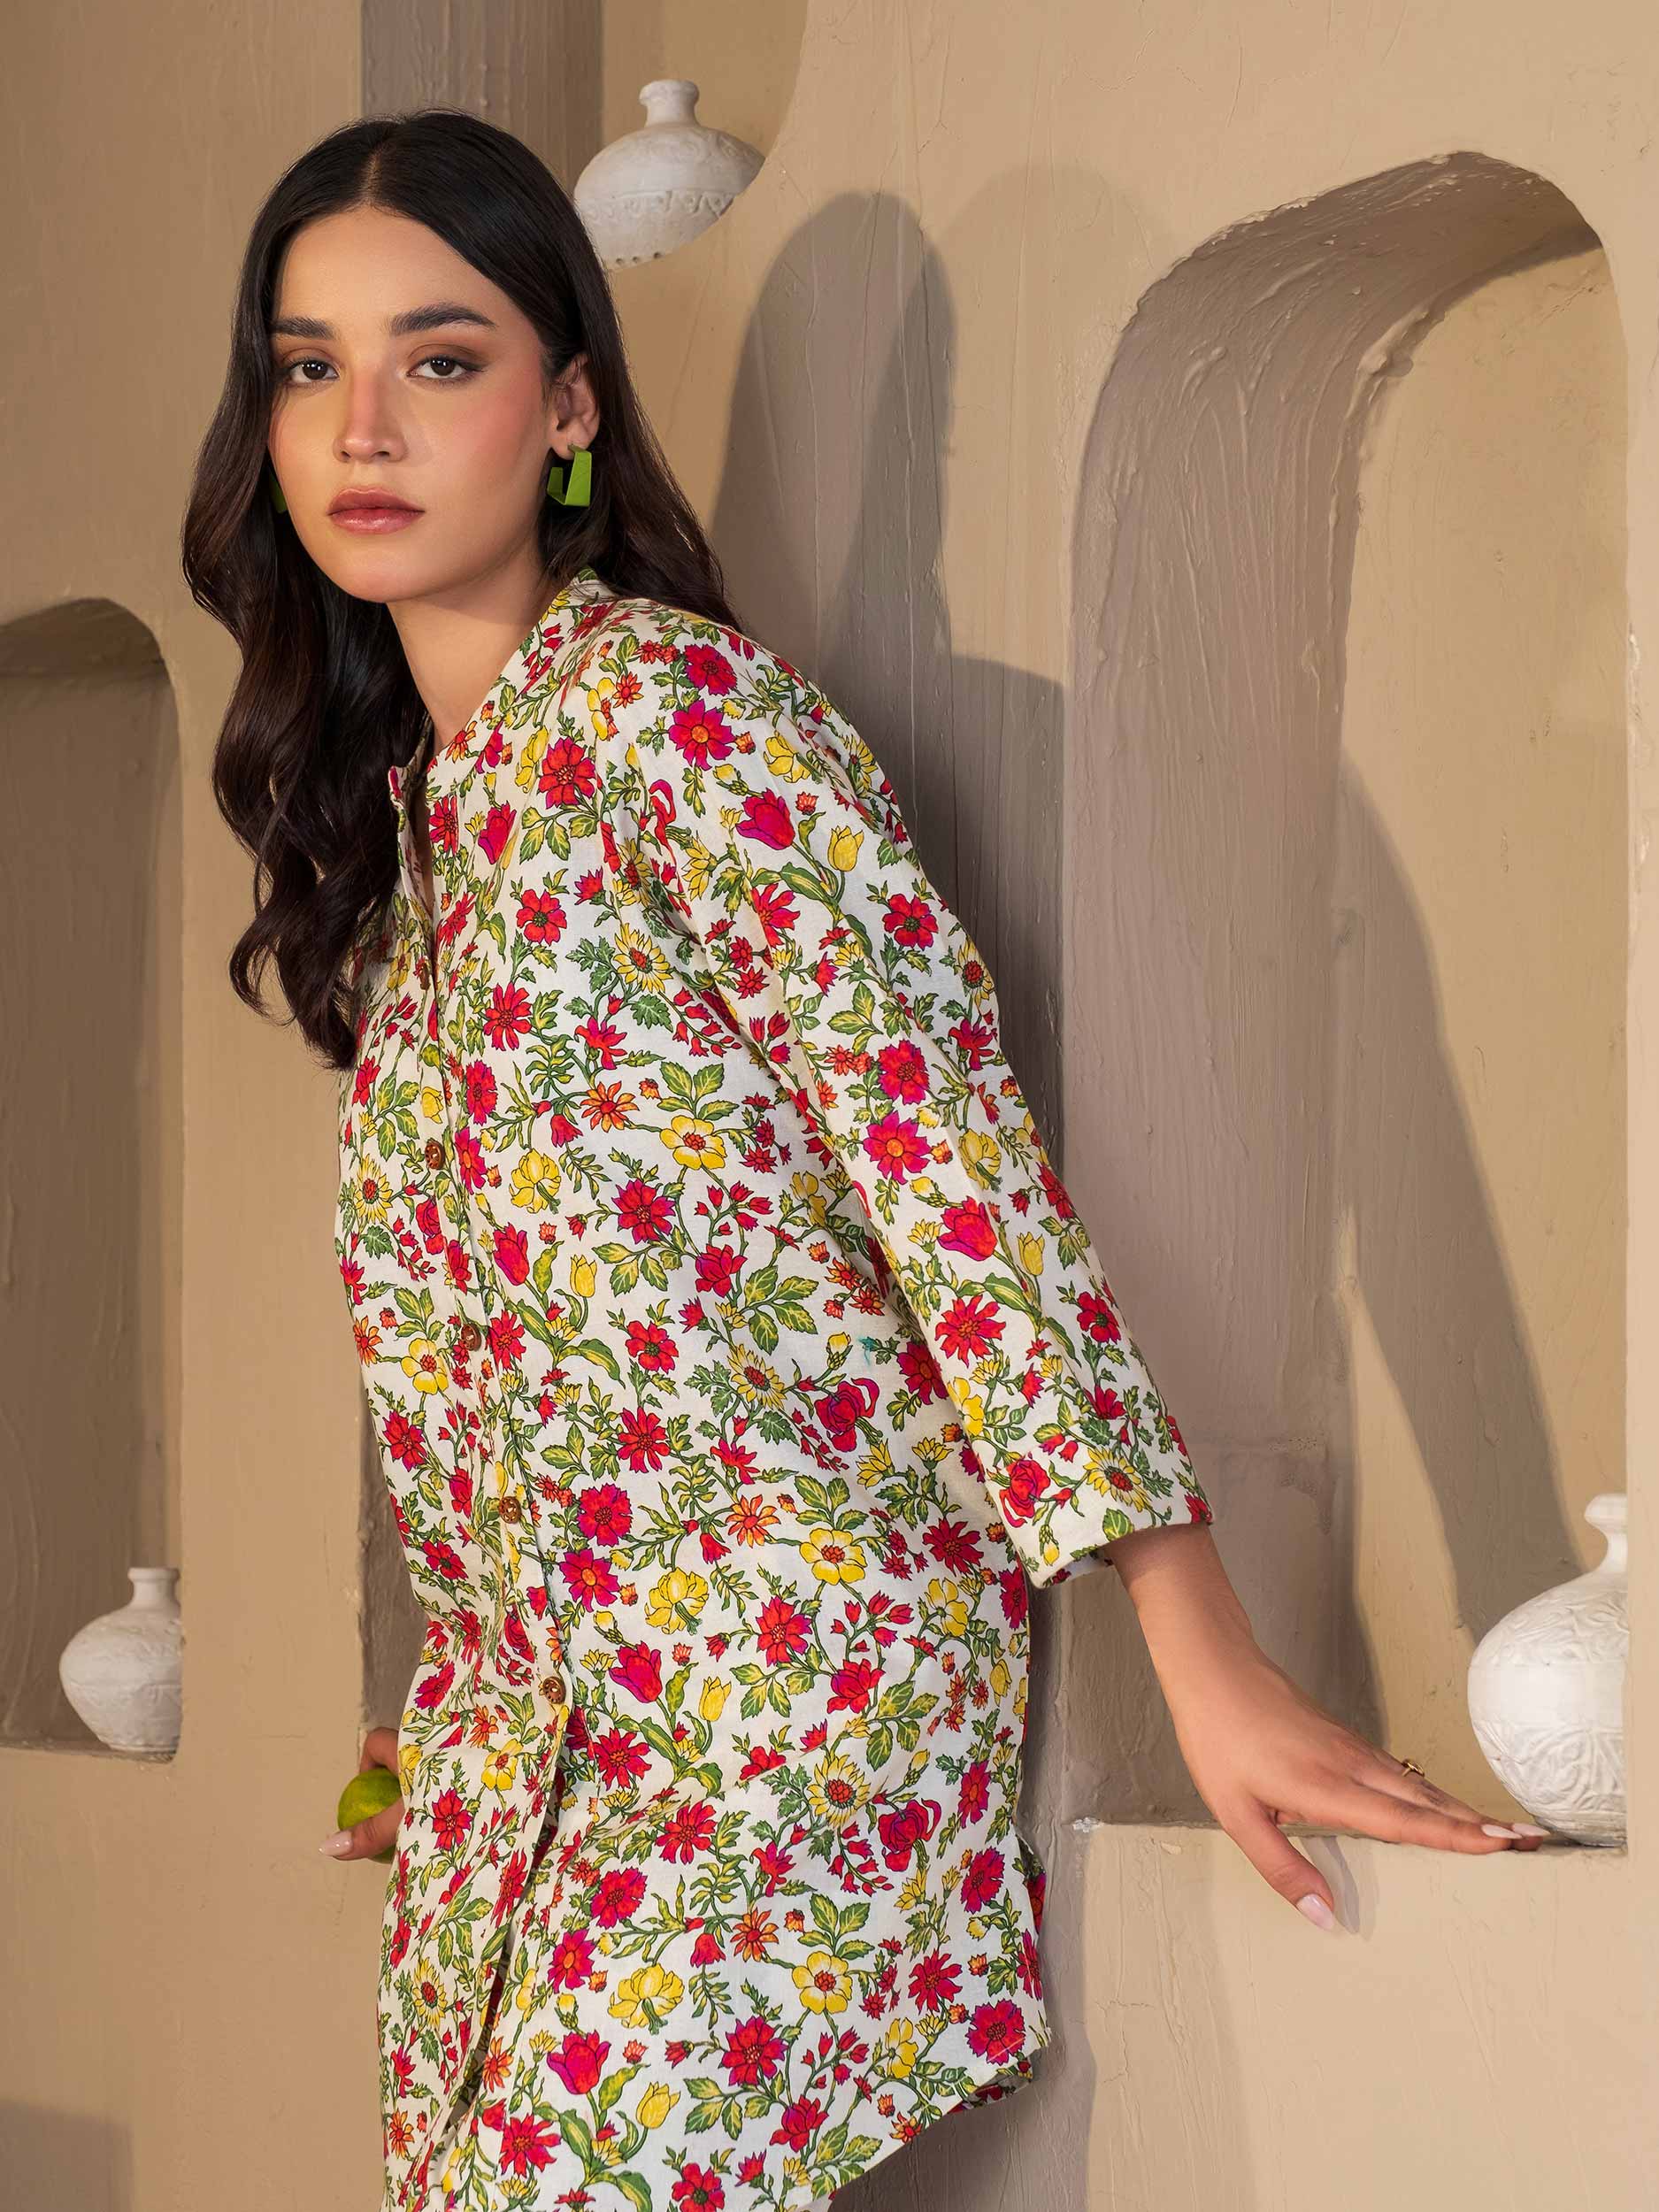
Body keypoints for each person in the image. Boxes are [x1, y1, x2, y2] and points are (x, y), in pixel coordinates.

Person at [181, 106, 1546, 2212]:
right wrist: (475, 1686)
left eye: (439, 358)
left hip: (780, 1714)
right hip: (521, 1768)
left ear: (566, 409)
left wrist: (1200, 1652)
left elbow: (952, 1180)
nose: (363, 422)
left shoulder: (686, 721)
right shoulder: (411, 847)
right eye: (308, 365)